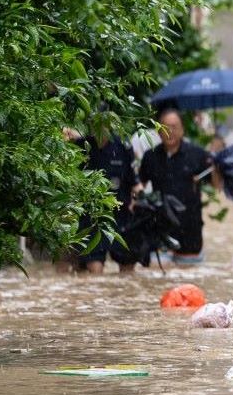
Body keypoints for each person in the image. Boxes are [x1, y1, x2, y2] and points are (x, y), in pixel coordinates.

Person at [138, 109, 217, 263]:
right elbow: (139, 186)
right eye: (165, 127)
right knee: (155, 279)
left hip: (190, 232)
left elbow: (216, 185)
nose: (170, 131)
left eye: (174, 127)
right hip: (160, 232)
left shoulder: (198, 155)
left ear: (182, 130)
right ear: (158, 130)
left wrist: (217, 161)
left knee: (188, 282)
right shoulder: (150, 156)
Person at [62, 128, 140, 274]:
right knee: (95, 270)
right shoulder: (81, 145)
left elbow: (134, 181)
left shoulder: (123, 145)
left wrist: (140, 199)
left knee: (128, 267)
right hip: (91, 217)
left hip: (121, 216)